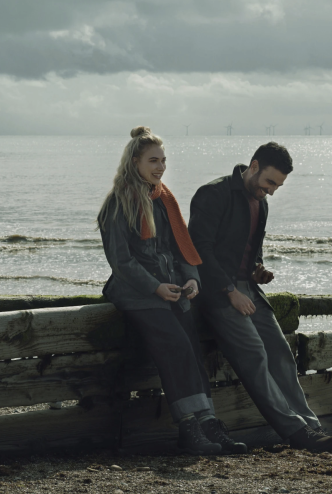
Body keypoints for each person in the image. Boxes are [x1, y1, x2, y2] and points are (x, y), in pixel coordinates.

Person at [188, 142, 332, 452]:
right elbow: (200, 250)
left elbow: (248, 249)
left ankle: (312, 426)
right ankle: (296, 433)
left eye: (278, 185)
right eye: (270, 182)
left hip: (249, 290)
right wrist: (230, 291)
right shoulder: (213, 193)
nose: (272, 191)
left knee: (280, 354)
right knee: (254, 355)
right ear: (254, 166)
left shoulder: (261, 203)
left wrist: (256, 271)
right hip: (219, 293)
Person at [97, 126, 246, 455]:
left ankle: (208, 423)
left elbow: (181, 248)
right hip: (136, 293)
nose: (160, 167)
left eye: (163, 160)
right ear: (134, 161)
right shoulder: (117, 203)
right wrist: (154, 287)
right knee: (177, 347)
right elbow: (121, 261)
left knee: (192, 350)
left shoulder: (163, 201)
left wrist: (192, 277)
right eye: (153, 160)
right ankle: (189, 426)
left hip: (172, 288)